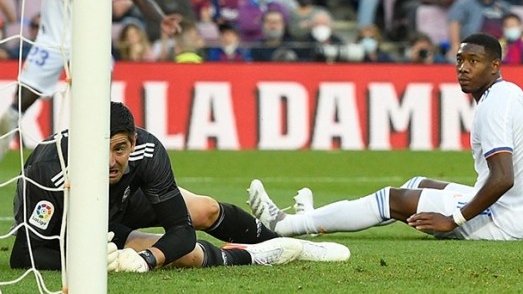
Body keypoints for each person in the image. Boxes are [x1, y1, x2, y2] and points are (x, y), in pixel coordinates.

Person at [249, 33, 523, 241]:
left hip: (506, 222)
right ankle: (318, 221)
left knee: (391, 199)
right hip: (519, 214)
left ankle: (287, 225)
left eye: (474, 61)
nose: (463, 68)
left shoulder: (493, 105)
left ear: (495, 66)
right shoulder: (509, 93)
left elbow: (503, 178)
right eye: (459, 60)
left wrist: (453, 220)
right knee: (416, 184)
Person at [11, 101, 349, 271]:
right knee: (185, 257)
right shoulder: (48, 169)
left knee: (205, 209)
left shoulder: (146, 149)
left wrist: (146, 260)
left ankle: (286, 243)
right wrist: (91, 260)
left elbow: (181, 229)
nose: (111, 161)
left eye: (120, 149)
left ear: (132, 141)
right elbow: (24, 254)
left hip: (122, 202)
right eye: (101, 150)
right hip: (74, 228)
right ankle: (254, 256)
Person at [0, 0, 182, 160]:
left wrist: (161, 18)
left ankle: (96, 153)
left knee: (99, 103)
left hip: (92, 42)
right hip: (53, 39)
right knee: (20, 101)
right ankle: (4, 136)